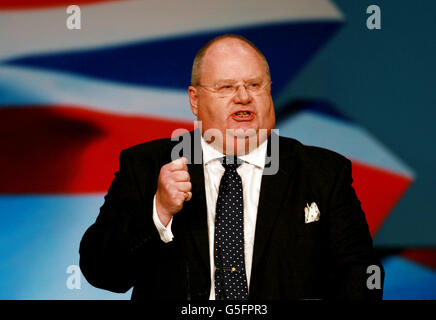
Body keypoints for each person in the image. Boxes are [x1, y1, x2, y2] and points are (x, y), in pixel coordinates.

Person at [79, 34, 384, 300]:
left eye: (254, 85)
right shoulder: (146, 166)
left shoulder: (323, 173)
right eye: (226, 87)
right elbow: (102, 273)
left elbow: (365, 276)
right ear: (195, 100)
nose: (243, 97)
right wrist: (158, 212)